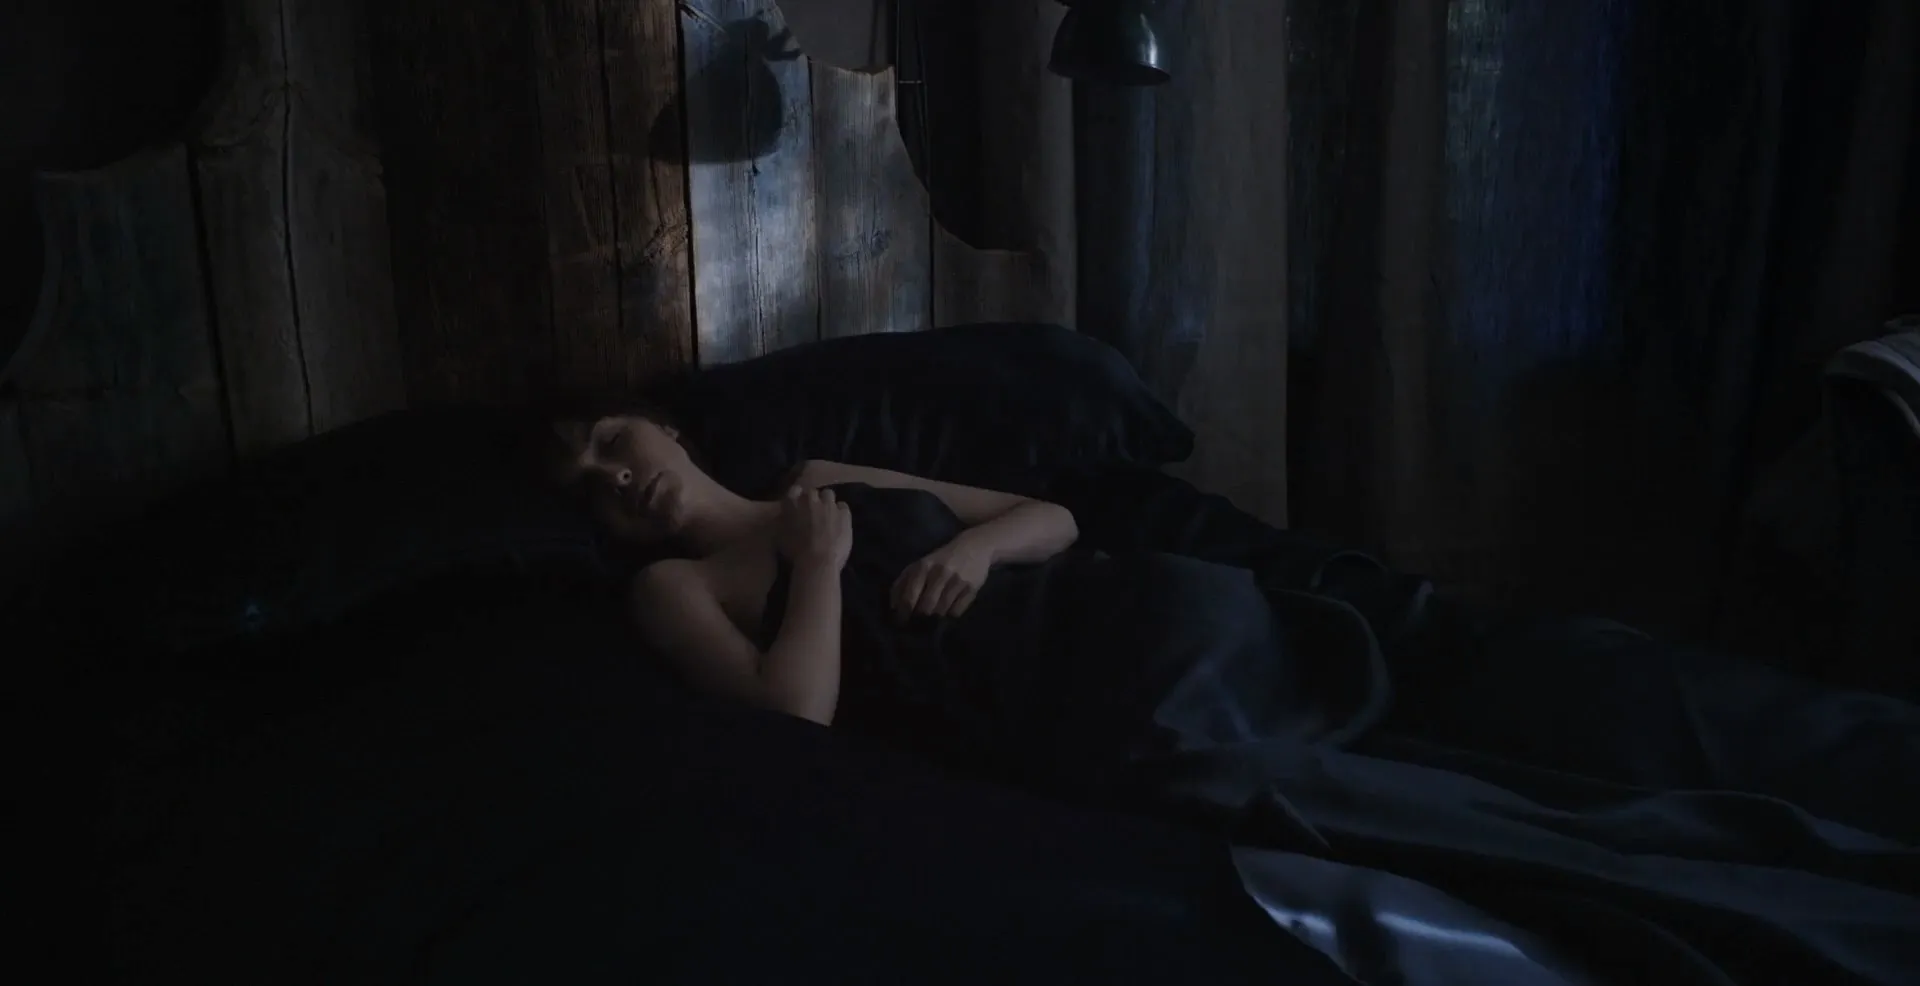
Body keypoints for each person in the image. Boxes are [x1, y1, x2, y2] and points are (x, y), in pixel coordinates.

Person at [547, 406, 1081, 729]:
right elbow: (797, 717)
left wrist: (976, 550)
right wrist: (817, 566)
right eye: (591, 488)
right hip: (1036, 704)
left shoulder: (817, 477)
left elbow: (1056, 519)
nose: (616, 477)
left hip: (1083, 605)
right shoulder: (672, 587)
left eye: (612, 441)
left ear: (663, 427)